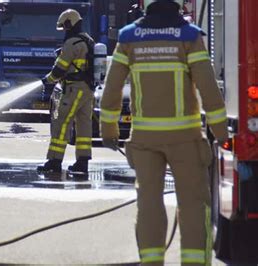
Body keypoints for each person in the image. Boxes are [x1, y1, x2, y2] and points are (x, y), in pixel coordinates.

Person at [100, 0, 228, 264]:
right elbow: (209, 88)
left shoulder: (128, 38)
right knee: (193, 206)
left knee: (149, 205)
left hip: (145, 140)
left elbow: (111, 91)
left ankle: (151, 261)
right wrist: (222, 133)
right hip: (186, 138)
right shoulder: (189, 36)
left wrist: (109, 130)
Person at [37, 9, 95, 175]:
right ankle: (82, 163)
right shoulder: (89, 40)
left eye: (65, 27)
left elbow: (60, 68)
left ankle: (54, 161)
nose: (65, 30)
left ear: (70, 23)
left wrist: (47, 80)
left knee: (61, 122)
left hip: (73, 88)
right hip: (87, 89)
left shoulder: (72, 43)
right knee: (84, 125)